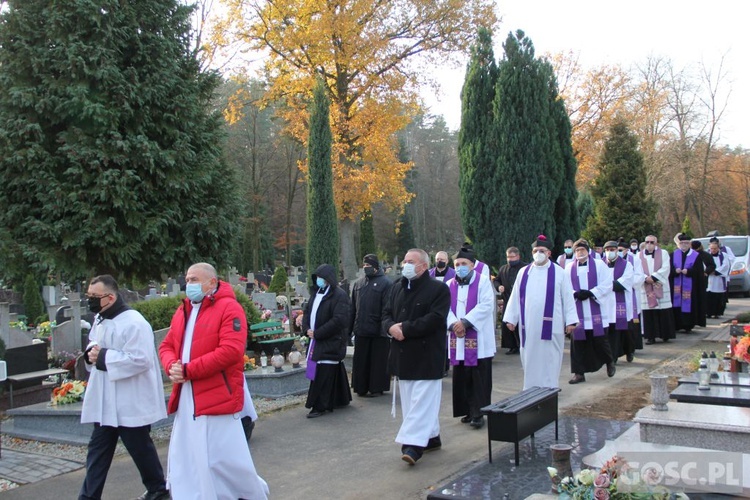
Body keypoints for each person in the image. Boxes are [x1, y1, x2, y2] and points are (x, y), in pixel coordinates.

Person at [159, 263, 268, 499]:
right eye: (187, 280)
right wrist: (171, 366)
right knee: (188, 454)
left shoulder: (230, 308)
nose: (188, 285)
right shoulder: (184, 310)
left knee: (222, 458)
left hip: (216, 394)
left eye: (194, 280)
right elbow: (167, 345)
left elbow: (230, 351)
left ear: (212, 282)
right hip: (188, 395)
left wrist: (188, 370)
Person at [79, 275, 168, 500]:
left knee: (141, 450)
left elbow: (141, 359)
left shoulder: (134, 322)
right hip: (106, 402)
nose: (90, 300)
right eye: (88, 296)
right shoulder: (100, 318)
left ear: (110, 297)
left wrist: (103, 356)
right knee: (97, 452)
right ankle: (88, 497)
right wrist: (91, 353)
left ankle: (158, 489)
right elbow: (93, 341)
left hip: (130, 400)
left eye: (94, 296)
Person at [383, 248, 450, 466]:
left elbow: (436, 318)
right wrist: (391, 327)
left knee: (422, 402)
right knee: (411, 402)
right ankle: (431, 438)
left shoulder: (438, 289)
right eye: (404, 261)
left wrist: (406, 329)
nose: (405, 265)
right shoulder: (396, 288)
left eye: (410, 261)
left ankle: (412, 446)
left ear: (423, 266)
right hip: (403, 354)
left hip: (427, 354)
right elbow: (385, 314)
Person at [503, 236, 578, 391]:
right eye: (535, 251)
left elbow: (568, 297)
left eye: (542, 251)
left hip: (552, 325)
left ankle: (550, 388)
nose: (538, 253)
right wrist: (511, 317)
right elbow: (516, 296)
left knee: (549, 357)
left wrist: (571, 320)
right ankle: (530, 388)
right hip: (528, 324)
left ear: (549, 253)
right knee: (530, 357)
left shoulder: (559, 273)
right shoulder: (524, 272)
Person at [446, 246, 496, 429]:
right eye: (457, 264)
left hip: (478, 338)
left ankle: (479, 413)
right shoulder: (448, 284)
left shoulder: (483, 282)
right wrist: (453, 324)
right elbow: (445, 309)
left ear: (473, 265)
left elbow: (486, 305)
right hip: (457, 338)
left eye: (464, 264)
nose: (460, 267)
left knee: (479, 377)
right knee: (462, 376)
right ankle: (466, 410)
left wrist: (466, 322)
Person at [303, 263, 352, 416]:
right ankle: (339, 399)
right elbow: (307, 312)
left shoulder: (339, 295)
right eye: (316, 277)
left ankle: (320, 405)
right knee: (315, 371)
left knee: (323, 374)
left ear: (328, 279)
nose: (318, 280)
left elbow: (339, 320)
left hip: (330, 341)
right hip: (315, 341)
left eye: (321, 277)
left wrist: (318, 333)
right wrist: (306, 329)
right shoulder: (316, 293)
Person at [567, 239, 615, 384]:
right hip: (577, 310)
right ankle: (578, 373)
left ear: (588, 251)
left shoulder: (600, 265)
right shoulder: (569, 268)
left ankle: (609, 361)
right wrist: (575, 293)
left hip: (595, 308)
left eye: (582, 250)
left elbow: (607, 283)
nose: (579, 253)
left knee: (600, 340)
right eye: (576, 251)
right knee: (577, 344)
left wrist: (591, 293)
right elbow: (564, 287)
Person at [350, 254, 392, 397]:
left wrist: (385, 328)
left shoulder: (385, 283)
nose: (366, 268)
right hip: (361, 328)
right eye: (364, 265)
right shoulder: (358, 284)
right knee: (361, 361)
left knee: (377, 362)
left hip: (378, 330)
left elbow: (388, 308)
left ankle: (377, 387)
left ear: (375, 267)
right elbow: (353, 308)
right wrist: (351, 329)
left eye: (369, 266)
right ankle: (360, 387)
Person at [635, 235, 675, 344]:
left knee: (663, 310)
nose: (649, 244)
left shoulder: (664, 253)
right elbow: (637, 270)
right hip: (646, 286)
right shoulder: (639, 255)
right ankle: (650, 336)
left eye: (652, 242)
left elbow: (666, 267)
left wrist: (654, 277)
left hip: (659, 284)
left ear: (656, 243)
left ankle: (665, 334)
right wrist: (645, 278)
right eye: (647, 242)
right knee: (649, 313)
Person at [603, 241, 635, 363]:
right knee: (611, 332)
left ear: (617, 250)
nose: (609, 252)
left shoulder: (626, 265)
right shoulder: (601, 265)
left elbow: (625, 281)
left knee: (625, 331)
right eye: (607, 250)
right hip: (607, 302)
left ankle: (629, 350)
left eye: (612, 249)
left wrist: (607, 285)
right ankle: (613, 357)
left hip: (621, 301)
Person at [670, 234, 706, 332]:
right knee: (676, 303)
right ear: (679, 244)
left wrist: (689, 271)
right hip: (676, 285)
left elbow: (699, 271)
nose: (684, 245)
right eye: (682, 243)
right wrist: (675, 271)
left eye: (686, 243)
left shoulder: (696, 256)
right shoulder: (673, 254)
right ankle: (677, 324)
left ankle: (688, 325)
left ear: (689, 244)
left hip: (691, 286)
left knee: (689, 303)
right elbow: (669, 269)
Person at [495, 247, 527, 354]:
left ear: (518, 256)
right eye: (508, 257)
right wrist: (499, 287)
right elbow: (497, 280)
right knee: (508, 323)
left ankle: (521, 344)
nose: (510, 259)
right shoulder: (503, 269)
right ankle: (512, 346)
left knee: (520, 323)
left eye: (512, 257)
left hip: (522, 301)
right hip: (507, 300)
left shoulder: (525, 268)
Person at [619, 239, 643, 356]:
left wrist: (626, 283)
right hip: (616, 294)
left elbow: (640, 276)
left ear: (627, 250)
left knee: (631, 323)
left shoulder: (635, 259)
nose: (618, 252)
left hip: (630, 294)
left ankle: (631, 348)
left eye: (620, 250)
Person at [706, 241, 731, 318]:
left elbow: (726, 265)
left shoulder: (724, 255)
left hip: (719, 280)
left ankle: (717, 313)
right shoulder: (707, 255)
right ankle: (708, 312)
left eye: (715, 248)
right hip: (709, 279)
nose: (713, 250)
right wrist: (708, 271)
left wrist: (715, 272)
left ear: (718, 248)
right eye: (711, 248)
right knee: (709, 297)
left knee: (718, 297)